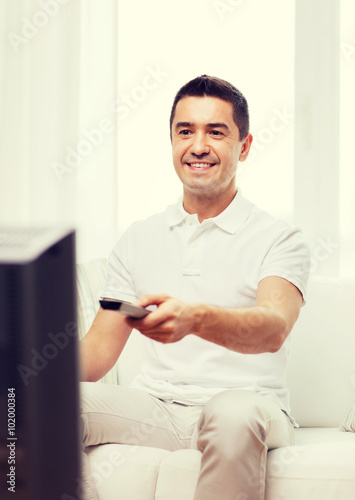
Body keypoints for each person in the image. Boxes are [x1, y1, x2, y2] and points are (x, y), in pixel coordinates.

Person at [80, 75, 310, 500]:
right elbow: (96, 354)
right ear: (171, 141)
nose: (198, 145)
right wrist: (22, 368)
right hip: (158, 407)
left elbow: (273, 328)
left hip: (250, 405)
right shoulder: (138, 236)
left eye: (215, 132)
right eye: (185, 131)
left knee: (234, 413)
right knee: (31, 404)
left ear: (244, 146)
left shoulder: (280, 238)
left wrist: (196, 318)